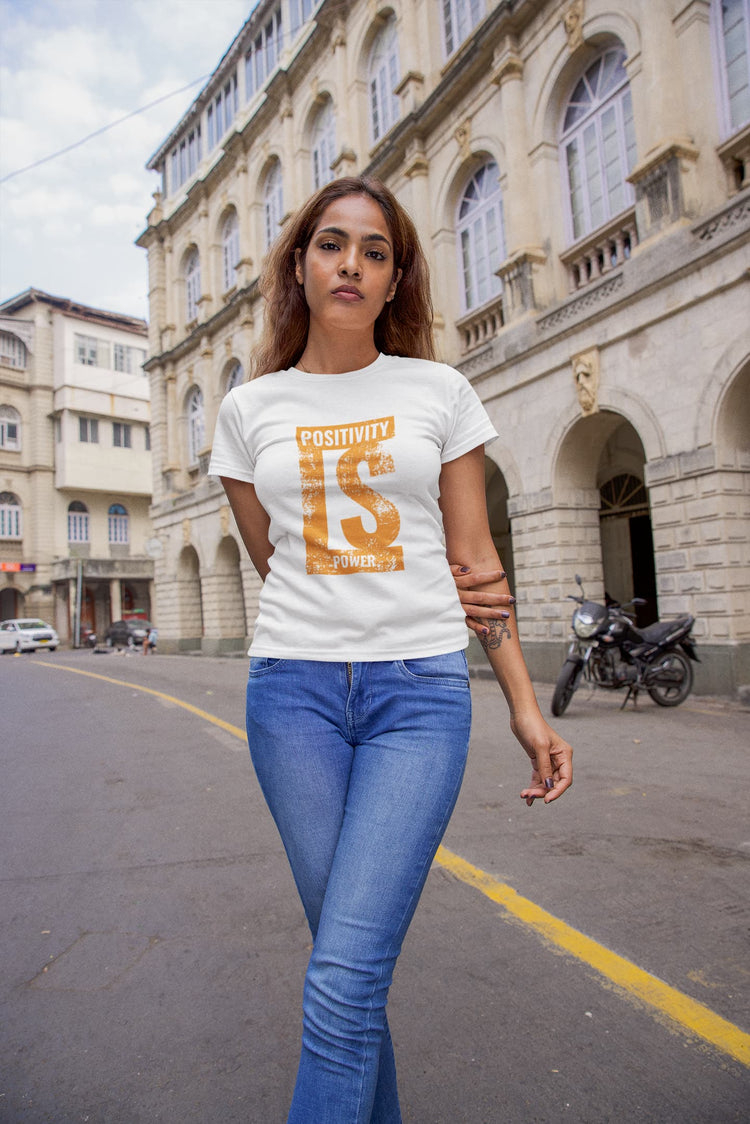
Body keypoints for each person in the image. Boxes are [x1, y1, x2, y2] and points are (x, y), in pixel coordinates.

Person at [208, 176, 572, 1124]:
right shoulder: (250, 410)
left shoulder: (440, 391)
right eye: (333, 244)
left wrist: (524, 707)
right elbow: (271, 559)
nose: (352, 265)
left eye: (376, 252)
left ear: (395, 277)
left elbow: (475, 560)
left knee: (341, 979)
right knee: (348, 973)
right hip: (292, 698)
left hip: (418, 696)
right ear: (301, 264)